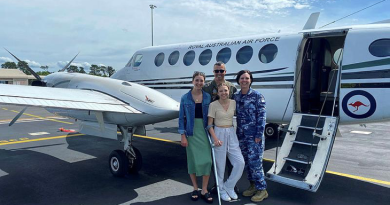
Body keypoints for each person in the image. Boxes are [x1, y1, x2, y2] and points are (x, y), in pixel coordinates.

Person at [178, 71, 213, 203]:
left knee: (207, 161)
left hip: (204, 131)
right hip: (190, 133)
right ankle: (195, 188)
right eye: (197, 80)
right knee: (192, 161)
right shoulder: (185, 98)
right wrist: (183, 135)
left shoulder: (208, 97)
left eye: (201, 81)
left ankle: (204, 189)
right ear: (193, 81)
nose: (199, 83)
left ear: (204, 82)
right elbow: (181, 118)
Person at [234, 70, 268, 202]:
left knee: (255, 162)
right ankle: (253, 185)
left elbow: (262, 116)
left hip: (254, 136)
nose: (244, 80)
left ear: (250, 80)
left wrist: (259, 134)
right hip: (241, 135)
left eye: (247, 78)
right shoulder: (236, 96)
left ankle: (262, 189)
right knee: (247, 162)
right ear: (238, 80)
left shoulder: (257, 96)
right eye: (242, 78)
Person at [207, 83, 245, 201]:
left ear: (229, 92)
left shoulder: (233, 103)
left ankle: (229, 186)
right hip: (218, 133)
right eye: (221, 91)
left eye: (225, 91)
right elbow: (209, 125)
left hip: (231, 133)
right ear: (217, 93)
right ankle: (221, 190)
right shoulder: (213, 105)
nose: (223, 93)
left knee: (240, 163)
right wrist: (215, 139)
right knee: (220, 166)